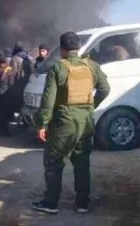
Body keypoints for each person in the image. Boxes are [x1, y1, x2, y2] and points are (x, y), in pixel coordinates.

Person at [32, 32, 110, 214]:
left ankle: (51, 203)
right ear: (79, 47)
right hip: (86, 121)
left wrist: (42, 123)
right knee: (82, 162)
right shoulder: (92, 66)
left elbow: (48, 100)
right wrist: (91, 105)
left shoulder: (58, 68)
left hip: (63, 122)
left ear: (62, 49)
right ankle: (82, 203)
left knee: (54, 161)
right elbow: (105, 89)